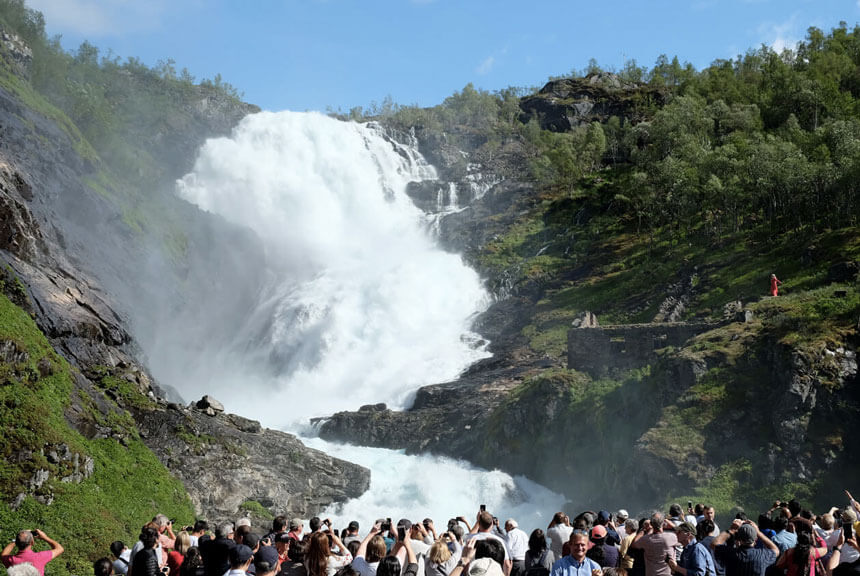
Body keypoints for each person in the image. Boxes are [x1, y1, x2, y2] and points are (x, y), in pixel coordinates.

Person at [710, 521, 777, 576]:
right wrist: (759, 532)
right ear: (756, 539)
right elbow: (775, 550)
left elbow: (714, 544)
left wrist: (731, 530)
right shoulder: (762, 555)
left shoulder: (731, 553)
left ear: (739, 539)